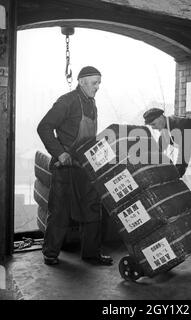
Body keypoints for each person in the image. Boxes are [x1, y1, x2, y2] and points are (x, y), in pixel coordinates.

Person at [37, 66, 113, 266]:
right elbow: (44, 127)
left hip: (85, 166)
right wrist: (60, 153)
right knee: (60, 211)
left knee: (92, 209)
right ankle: (50, 253)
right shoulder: (67, 101)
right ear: (81, 82)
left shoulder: (92, 103)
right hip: (65, 166)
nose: (98, 87)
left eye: (99, 83)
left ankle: (91, 253)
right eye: (94, 82)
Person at [143, 108, 191, 235]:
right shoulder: (165, 128)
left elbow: (183, 156)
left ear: (160, 117)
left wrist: (175, 176)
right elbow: (159, 149)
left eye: (153, 124)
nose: (154, 128)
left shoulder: (181, 125)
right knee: (190, 185)